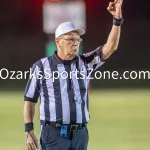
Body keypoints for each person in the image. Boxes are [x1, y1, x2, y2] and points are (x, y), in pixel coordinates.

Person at [23, 0, 123, 150]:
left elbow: (111, 47)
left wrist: (117, 21)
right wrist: (28, 130)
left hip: (80, 133)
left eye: (77, 40)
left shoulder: (85, 62)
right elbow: (30, 99)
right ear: (58, 42)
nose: (75, 43)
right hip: (53, 134)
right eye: (70, 40)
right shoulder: (42, 66)